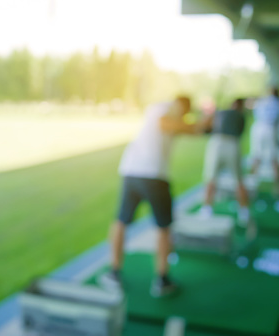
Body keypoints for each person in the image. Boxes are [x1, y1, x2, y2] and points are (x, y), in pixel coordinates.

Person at [101, 95, 202, 298]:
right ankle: (157, 279)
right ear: (180, 105)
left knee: (124, 221)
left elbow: (187, 129)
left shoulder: (172, 117)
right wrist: (196, 125)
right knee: (159, 227)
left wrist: (199, 126)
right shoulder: (163, 108)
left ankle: (124, 273)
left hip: (133, 172)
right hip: (151, 175)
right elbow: (167, 123)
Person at [200, 98, 251, 227]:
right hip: (232, 144)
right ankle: (244, 211)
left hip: (216, 143)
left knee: (211, 178)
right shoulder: (240, 115)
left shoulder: (221, 112)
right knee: (239, 180)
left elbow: (207, 129)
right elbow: (240, 132)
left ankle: (206, 209)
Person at [250, 87, 279, 194]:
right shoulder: (277, 102)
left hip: (258, 128)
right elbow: (278, 119)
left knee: (256, 156)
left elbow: (256, 114)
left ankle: (252, 185)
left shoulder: (261, 101)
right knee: (273, 157)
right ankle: (277, 187)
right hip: (269, 128)